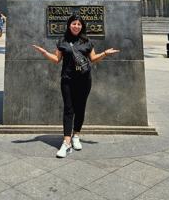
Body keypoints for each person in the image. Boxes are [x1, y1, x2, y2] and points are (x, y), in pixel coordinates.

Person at [33, 13, 119, 157]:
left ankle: (76, 136)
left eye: (79, 24)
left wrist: (105, 53)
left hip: (84, 80)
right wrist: (45, 53)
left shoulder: (87, 41)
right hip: (67, 80)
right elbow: (56, 59)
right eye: (74, 23)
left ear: (82, 26)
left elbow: (92, 59)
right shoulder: (63, 41)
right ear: (69, 25)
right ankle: (66, 144)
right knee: (68, 109)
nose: (76, 26)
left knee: (80, 109)